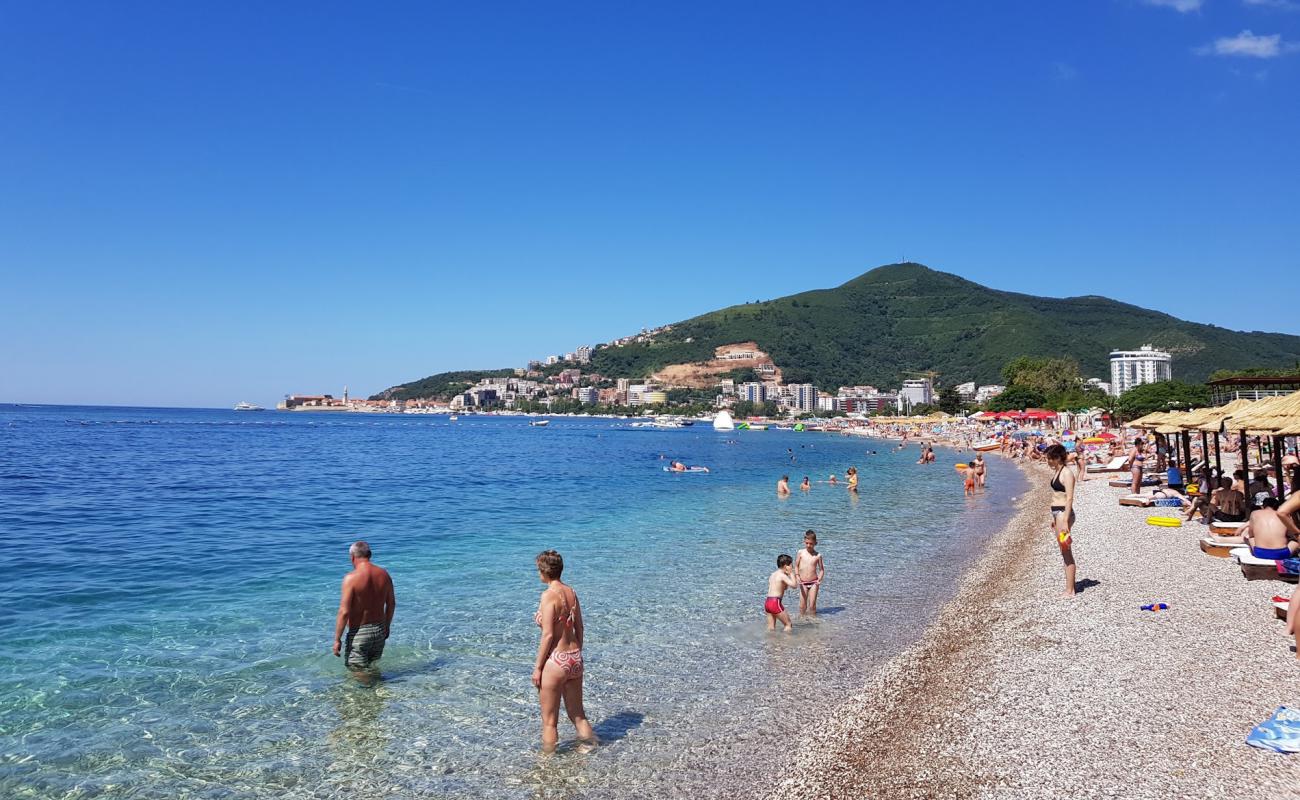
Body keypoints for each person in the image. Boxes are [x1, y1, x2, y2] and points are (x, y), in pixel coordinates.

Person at [532, 550, 596, 753]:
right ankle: (590, 748)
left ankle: (547, 764)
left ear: (544, 572)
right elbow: (579, 627)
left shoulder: (548, 595)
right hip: (575, 657)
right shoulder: (571, 592)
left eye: (538, 570)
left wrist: (538, 668)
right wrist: (577, 653)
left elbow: (549, 635)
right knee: (578, 715)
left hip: (556, 660)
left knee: (550, 722)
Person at [333, 540, 396, 672]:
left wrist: (337, 639)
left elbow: (344, 612)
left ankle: (372, 690)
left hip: (359, 633)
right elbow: (391, 604)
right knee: (372, 669)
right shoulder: (384, 574)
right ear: (370, 554)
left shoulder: (351, 578)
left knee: (357, 670)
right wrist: (387, 626)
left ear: (352, 557)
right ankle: (378, 690)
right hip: (379, 630)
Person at [1045, 444, 1079, 597]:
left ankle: (1070, 590)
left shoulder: (1067, 474)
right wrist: (1055, 519)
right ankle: (1069, 587)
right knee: (1063, 550)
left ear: (1058, 458)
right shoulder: (1058, 471)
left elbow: (1070, 497)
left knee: (1066, 550)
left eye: (1050, 459)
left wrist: (1064, 521)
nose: (1048, 462)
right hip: (1057, 514)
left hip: (1063, 514)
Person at [794, 530, 825, 616]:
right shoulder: (801, 552)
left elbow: (822, 569)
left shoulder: (818, 555)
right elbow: (796, 566)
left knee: (812, 605)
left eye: (811, 543)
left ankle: (813, 619)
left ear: (815, 543)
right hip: (803, 582)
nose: (808, 545)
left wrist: (819, 579)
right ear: (804, 541)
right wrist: (797, 576)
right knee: (802, 606)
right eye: (807, 543)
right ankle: (802, 619)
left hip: (814, 582)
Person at [765, 554, 798, 632]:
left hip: (768, 602)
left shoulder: (773, 574)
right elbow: (794, 585)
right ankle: (786, 643)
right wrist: (791, 574)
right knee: (788, 624)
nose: (792, 567)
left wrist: (787, 575)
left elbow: (784, 588)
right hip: (775, 602)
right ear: (786, 566)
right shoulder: (782, 576)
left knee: (771, 627)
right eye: (791, 565)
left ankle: (770, 643)